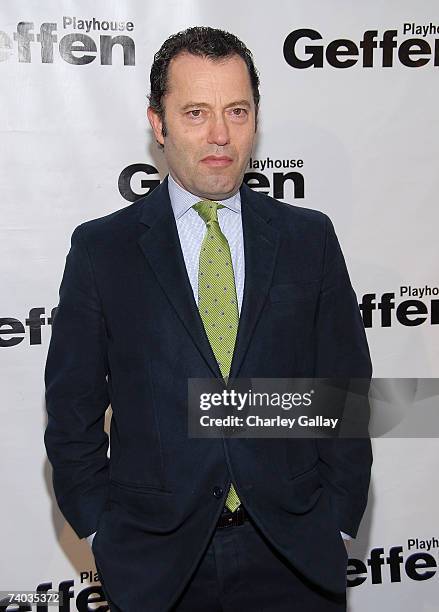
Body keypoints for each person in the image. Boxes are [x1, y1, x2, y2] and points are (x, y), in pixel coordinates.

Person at [44, 26, 372, 611]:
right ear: (158, 122)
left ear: (255, 119)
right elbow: (72, 413)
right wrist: (101, 533)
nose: (220, 134)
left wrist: (338, 522)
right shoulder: (102, 251)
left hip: (296, 557)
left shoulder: (309, 239)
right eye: (195, 112)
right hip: (156, 568)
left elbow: (344, 394)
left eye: (236, 111)